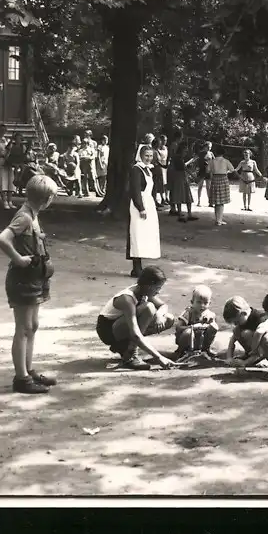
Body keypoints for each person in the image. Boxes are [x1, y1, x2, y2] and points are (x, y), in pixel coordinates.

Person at [0, 174, 60, 394]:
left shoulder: (33, 214)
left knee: (32, 326)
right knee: (23, 328)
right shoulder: (24, 216)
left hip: (35, 278)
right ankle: (21, 378)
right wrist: (17, 258)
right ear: (47, 199)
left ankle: (28, 369)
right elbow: (2, 239)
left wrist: (38, 237)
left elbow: (27, 236)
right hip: (23, 279)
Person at [95, 265, 179, 370]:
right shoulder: (127, 299)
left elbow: (163, 305)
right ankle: (130, 355)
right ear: (149, 285)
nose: (159, 292)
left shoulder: (143, 291)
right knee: (148, 308)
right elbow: (135, 333)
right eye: (157, 288)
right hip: (108, 330)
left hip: (123, 326)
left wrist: (158, 315)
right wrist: (159, 358)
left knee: (168, 318)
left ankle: (124, 346)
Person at [126, 145, 161, 277]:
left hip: (148, 202)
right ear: (140, 155)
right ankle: (136, 267)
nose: (148, 158)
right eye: (146, 155)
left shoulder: (149, 170)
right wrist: (141, 207)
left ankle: (139, 266)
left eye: (151, 156)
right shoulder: (136, 169)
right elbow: (135, 190)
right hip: (139, 204)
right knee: (137, 234)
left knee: (145, 234)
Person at [174, 285, 219, 359]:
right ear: (192, 302)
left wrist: (209, 326)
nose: (202, 305)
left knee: (214, 327)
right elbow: (178, 327)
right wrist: (192, 327)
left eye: (205, 303)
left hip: (201, 339)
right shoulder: (188, 312)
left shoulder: (210, 314)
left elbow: (213, 329)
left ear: (209, 303)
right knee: (188, 332)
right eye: (199, 302)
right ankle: (180, 351)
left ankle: (206, 349)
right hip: (187, 339)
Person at [223, 296, 267, 363]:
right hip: (255, 348)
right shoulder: (243, 320)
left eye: (236, 322)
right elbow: (232, 341)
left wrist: (245, 363)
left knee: (246, 333)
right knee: (236, 331)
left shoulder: (260, 319)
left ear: (243, 313)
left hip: (265, 350)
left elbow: (267, 341)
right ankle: (249, 355)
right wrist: (229, 358)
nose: (236, 324)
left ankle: (262, 359)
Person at [208, 145, 235, 226]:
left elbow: (207, 170)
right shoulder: (226, 161)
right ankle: (219, 220)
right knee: (221, 201)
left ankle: (217, 219)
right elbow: (232, 170)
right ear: (223, 153)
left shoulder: (212, 161)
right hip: (223, 179)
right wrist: (225, 171)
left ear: (216, 153)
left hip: (215, 179)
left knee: (216, 201)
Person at [195, 141, 214, 207]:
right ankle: (199, 201)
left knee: (208, 187)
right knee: (200, 186)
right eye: (208, 147)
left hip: (208, 172)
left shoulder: (211, 153)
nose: (209, 148)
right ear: (205, 146)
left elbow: (214, 162)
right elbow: (196, 160)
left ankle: (210, 202)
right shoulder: (201, 153)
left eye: (210, 147)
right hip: (202, 171)